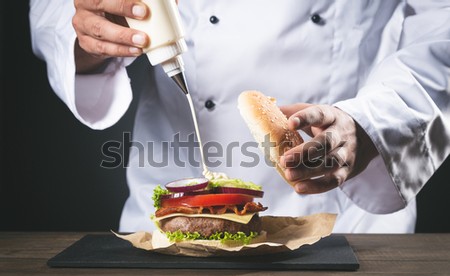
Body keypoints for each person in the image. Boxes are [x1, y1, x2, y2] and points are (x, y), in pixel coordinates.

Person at [29, 0, 450, 233]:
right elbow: (55, 10)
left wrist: (373, 124)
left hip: (347, 223)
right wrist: (89, 34)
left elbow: (442, 26)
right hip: (169, 217)